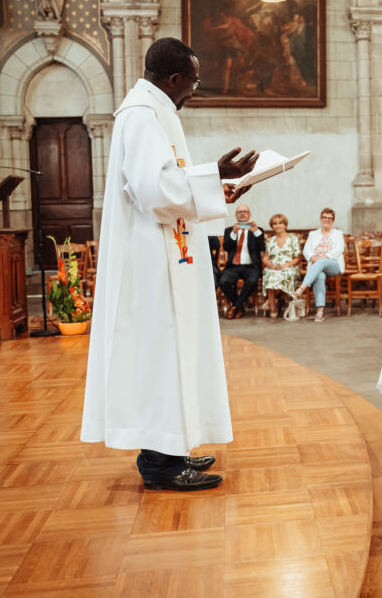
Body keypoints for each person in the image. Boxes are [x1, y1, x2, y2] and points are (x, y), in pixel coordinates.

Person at [82, 37, 259, 492]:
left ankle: (173, 448)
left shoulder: (156, 112)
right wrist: (212, 176)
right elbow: (154, 191)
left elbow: (170, 182)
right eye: (193, 82)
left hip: (167, 255)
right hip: (151, 265)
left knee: (175, 355)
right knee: (161, 357)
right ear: (174, 78)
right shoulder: (142, 116)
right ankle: (159, 465)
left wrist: (217, 187)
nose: (194, 91)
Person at [294, 208, 344, 322]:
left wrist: (322, 258)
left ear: (333, 220)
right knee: (320, 276)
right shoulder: (313, 234)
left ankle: (302, 288)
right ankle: (320, 310)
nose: (327, 220)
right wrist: (312, 257)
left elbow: (339, 249)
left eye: (330, 218)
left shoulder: (338, 234)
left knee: (321, 262)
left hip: (333, 264)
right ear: (320, 219)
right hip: (317, 265)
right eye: (324, 217)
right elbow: (306, 250)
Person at [219, 204, 265, 319]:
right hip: (233, 266)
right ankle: (239, 306)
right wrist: (234, 233)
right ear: (236, 215)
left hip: (251, 267)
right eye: (240, 212)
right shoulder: (229, 230)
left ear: (249, 214)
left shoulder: (258, 230)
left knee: (252, 281)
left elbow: (262, 248)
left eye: (245, 211)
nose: (243, 213)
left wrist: (255, 232)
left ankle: (235, 307)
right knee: (223, 281)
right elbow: (226, 248)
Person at [261, 213, 301, 318]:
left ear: (285, 225)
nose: (277, 226)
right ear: (272, 226)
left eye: (280, 223)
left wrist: (287, 264)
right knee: (270, 275)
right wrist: (270, 264)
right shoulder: (270, 240)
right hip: (273, 267)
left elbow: (297, 257)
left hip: (289, 267)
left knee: (282, 275)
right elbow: (265, 257)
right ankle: (273, 310)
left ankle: (270, 302)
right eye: (274, 224)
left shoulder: (293, 239)